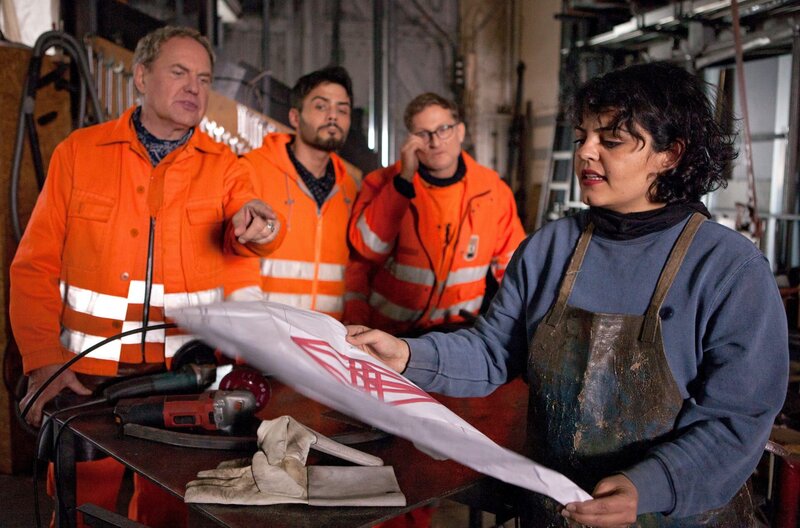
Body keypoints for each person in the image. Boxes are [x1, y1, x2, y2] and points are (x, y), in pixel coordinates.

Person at [346, 62, 789, 527]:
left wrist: (651, 484)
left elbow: (737, 418)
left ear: (670, 154)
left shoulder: (728, 269)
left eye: (610, 141)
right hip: (557, 513)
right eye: (582, 138)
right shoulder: (549, 249)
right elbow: (492, 352)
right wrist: (404, 355)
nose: (585, 154)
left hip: (676, 516)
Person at [10, 26, 283, 527]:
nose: (194, 88)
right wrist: (43, 361)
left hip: (184, 378)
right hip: (84, 377)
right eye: (179, 73)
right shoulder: (80, 153)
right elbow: (34, 265)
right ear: (140, 76)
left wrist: (262, 224)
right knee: (77, 510)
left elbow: (251, 229)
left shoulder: (224, 167)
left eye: (203, 78)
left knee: (169, 512)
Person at [345, 92, 526, 335]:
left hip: (457, 335)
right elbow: (367, 251)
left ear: (460, 131)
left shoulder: (493, 191)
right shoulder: (382, 183)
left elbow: (514, 271)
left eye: (444, 129)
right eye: (423, 134)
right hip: (389, 333)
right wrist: (403, 182)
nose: (435, 141)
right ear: (410, 140)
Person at [238, 66, 358, 320]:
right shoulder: (250, 170)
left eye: (342, 109)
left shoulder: (350, 190)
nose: (333, 116)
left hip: (326, 344)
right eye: (321, 106)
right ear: (294, 117)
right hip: (263, 342)